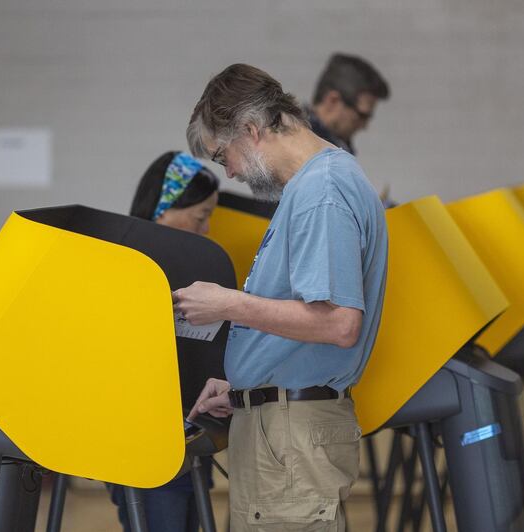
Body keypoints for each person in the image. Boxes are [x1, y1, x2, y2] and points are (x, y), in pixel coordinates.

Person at [175, 64, 388, 530]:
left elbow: (337, 323)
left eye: (222, 155)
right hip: (284, 424)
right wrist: (248, 388)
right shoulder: (316, 186)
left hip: (290, 436)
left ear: (250, 131)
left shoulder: (321, 191)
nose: (229, 171)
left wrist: (227, 303)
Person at [106, 150, 219, 532]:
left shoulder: (193, 271)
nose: (206, 230)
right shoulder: (123, 267)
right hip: (142, 443)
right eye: (201, 217)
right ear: (167, 207)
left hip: (187, 432)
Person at [307, 53, 390, 155]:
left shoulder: (331, 146)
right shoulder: (303, 147)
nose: (364, 126)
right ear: (333, 101)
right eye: (362, 115)